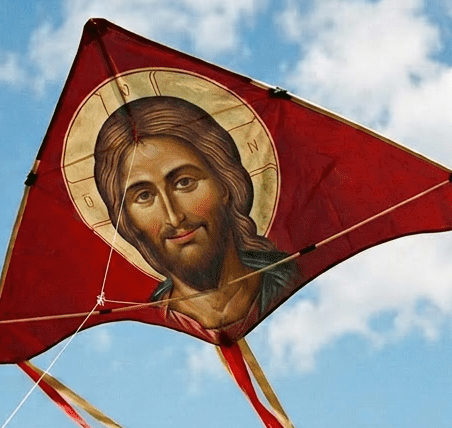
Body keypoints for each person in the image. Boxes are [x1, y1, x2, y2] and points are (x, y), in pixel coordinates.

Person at [93, 94, 298, 332]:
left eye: (184, 182)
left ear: (225, 183)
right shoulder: (147, 330)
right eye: (144, 196)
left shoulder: (294, 280)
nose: (173, 217)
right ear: (127, 220)